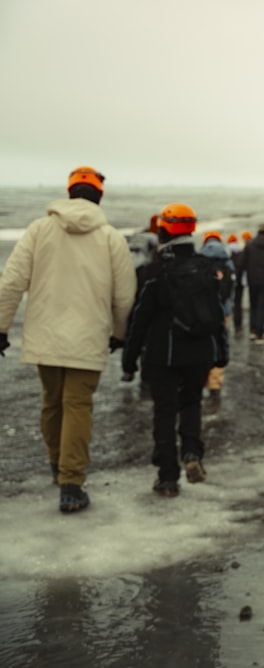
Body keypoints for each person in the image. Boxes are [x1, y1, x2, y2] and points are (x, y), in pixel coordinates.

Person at [0, 166, 136, 513]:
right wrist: (119, 334)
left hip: (45, 335)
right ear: (98, 196)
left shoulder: (39, 230)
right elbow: (124, 296)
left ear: (69, 192)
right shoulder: (110, 238)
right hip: (88, 337)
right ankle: (71, 484)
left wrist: (1, 327)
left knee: (52, 401)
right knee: (78, 405)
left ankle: (56, 465)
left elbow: (11, 281)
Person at [122, 203, 228, 497]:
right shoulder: (207, 269)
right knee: (191, 403)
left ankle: (168, 477)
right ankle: (192, 453)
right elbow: (217, 315)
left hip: (163, 356)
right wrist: (221, 353)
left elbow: (139, 319)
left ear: (164, 230)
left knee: (165, 412)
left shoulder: (154, 272)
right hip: (200, 354)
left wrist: (129, 361)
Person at [199, 231, 236, 398]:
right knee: (220, 345)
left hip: (203, 310)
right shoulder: (227, 262)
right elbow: (232, 289)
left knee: (202, 344)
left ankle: (200, 379)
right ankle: (215, 384)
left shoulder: (199, 260)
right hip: (223, 311)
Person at [227, 232, 247, 331]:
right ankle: (238, 322)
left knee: (229, 300)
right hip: (241, 280)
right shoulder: (241, 250)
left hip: (230, 279)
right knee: (239, 301)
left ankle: (227, 323)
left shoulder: (226, 250)